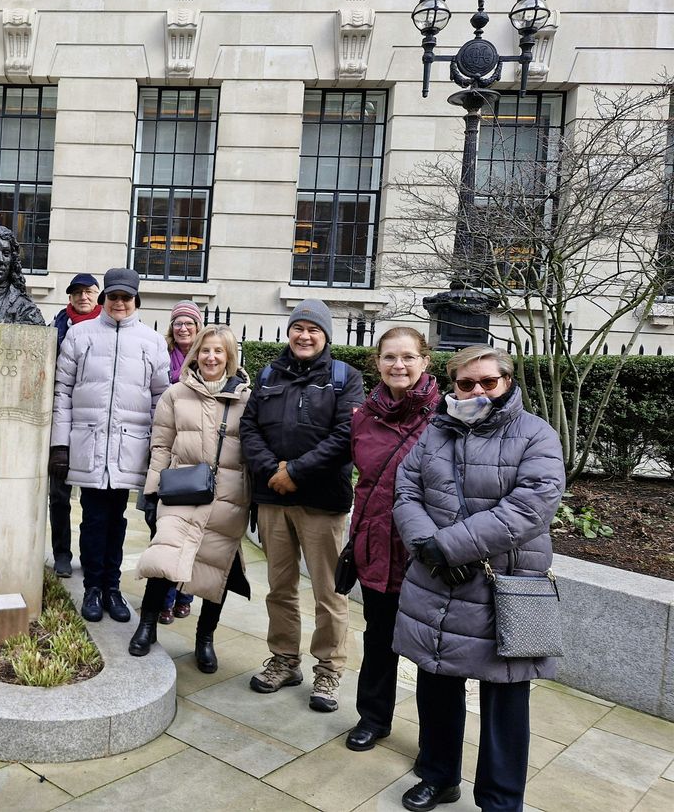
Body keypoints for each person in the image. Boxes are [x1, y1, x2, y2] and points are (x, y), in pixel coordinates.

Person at [394, 345, 564, 812]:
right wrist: (428, 545)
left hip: (505, 584)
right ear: (453, 386)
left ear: (507, 382)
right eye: (466, 383)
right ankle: (438, 776)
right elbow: (406, 490)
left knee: (505, 698)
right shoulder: (436, 431)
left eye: (488, 382)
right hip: (437, 578)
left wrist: (451, 546)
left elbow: (531, 506)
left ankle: (500, 800)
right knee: (436, 679)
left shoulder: (536, 434)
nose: (477, 392)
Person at [239, 299, 365, 713]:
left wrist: (295, 471)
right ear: (289, 332)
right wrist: (272, 471)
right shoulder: (268, 375)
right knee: (280, 588)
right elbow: (249, 427)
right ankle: (284, 659)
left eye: (313, 329)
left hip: (322, 502)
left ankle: (328, 669)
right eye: (298, 328)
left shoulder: (345, 378)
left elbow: (346, 435)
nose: (304, 335)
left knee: (329, 592)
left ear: (325, 335)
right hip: (272, 499)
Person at [50, 268, 169, 623]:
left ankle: (112, 588)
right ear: (104, 299)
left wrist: (157, 449)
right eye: (113, 296)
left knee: (117, 522)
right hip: (88, 444)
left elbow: (160, 399)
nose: (119, 303)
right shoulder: (79, 335)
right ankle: (92, 588)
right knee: (92, 519)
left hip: (129, 447)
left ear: (135, 300)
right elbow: (62, 392)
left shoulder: (152, 341)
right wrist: (60, 445)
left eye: (125, 297)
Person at [130, 325, 252, 673]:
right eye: (205, 350)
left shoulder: (246, 399)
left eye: (219, 351)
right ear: (196, 354)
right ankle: (147, 625)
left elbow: (253, 452)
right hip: (180, 491)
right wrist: (151, 493)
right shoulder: (175, 394)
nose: (211, 357)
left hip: (227, 496)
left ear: (229, 357)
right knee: (164, 558)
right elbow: (160, 445)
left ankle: (205, 638)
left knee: (217, 568)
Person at [344, 327, 438, 752]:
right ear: (377, 362)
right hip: (376, 545)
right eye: (389, 357)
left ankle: (435, 742)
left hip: (424, 550)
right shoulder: (364, 416)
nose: (398, 365)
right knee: (379, 637)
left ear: (425, 361)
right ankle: (373, 717)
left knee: (430, 649)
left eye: (408, 357)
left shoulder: (445, 416)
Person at [47, 273, 101, 577]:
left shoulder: (108, 326)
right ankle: (62, 554)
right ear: (70, 297)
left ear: (97, 295)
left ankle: (90, 555)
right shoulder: (57, 326)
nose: (83, 297)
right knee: (59, 495)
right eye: (77, 292)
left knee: (93, 499)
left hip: (93, 421)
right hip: (62, 419)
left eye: (88, 291)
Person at [159, 299, 204, 622]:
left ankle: (184, 595)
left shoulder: (208, 357)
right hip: (169, 450)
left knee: (193, 533)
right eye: (178, 322)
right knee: (166, 531)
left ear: (198, 326)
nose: (183, 328)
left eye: (189, 322)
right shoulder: (162, 355)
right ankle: (165, 597)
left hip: (198, 455)